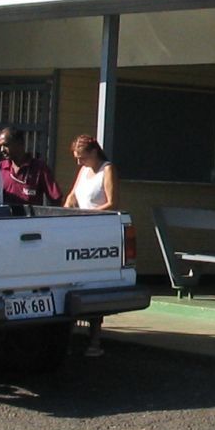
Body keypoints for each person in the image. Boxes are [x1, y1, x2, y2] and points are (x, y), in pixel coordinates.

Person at [65, 134, 117, 355]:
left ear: (94, 153)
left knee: (94, 284)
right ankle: (68, 337)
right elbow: (73, 195)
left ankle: (94, 339)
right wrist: (66, 209)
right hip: (77, 230)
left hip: (97, 231)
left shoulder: (107, 169)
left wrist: (89, 215)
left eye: (82, 157)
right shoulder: (83, 171)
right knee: (71, 283)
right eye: (77, 158)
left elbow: (112, 202)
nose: (79, 162)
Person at [0, 127, 62, 210]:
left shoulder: (39, 168)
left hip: (30, 221)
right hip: (4, 221)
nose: (2, 150)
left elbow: (56, 199)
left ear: (19, 143)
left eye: (6, 145)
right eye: (0, 146)